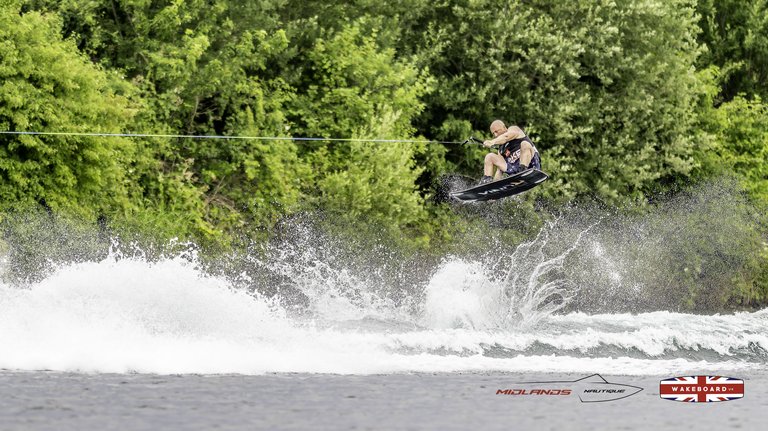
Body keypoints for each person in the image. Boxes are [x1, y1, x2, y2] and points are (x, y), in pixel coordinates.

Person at [479, 119, 541, 184]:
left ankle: (523, 171)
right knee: (489, 156)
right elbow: (499, 170)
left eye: (496, 131)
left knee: (525, 144)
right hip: (514, 170)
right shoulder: (501, 149)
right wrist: (495, 185)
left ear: (504, 127)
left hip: (531, 163)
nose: (495, 135)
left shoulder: (514, 129)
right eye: (493, 133)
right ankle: (486, 181)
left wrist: (492, 142)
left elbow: (506, 137)